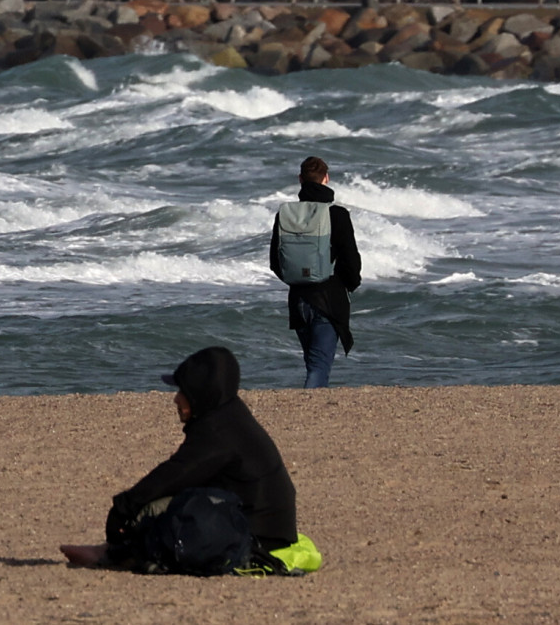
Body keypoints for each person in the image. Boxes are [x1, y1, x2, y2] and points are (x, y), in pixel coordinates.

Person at [60, 347, 321, 575]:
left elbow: (173, 474)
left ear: (198, 394)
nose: (175, 399)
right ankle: (112, 551)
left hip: (256, 538)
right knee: (170, 501)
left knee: (154, 509)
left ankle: (110, 555)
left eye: (181, 391)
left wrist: (122, 509)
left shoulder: (218, 432)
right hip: (271, 529)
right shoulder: (229, 416)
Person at [269, 155, 361, 388]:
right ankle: (308, 414)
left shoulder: (285, 214)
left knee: (313, 363)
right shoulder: (337, 215)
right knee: (319, 366)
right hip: (328, 299)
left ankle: (309, 410)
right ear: (326, 179)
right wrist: (348, 285)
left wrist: (297, 279)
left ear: (300, 179)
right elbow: (351, 260)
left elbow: (275, 261)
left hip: (298, 300)